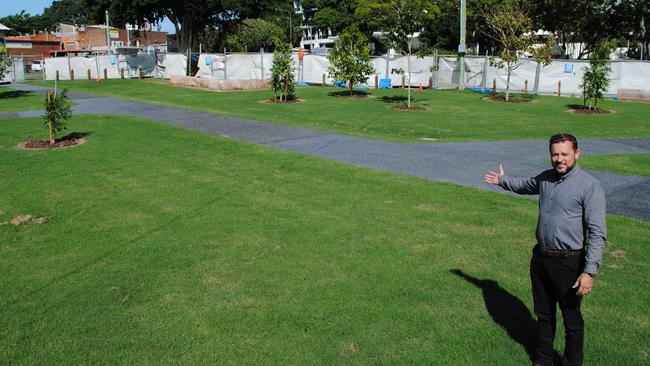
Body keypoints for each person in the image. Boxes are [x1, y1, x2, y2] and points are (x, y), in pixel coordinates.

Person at [483, 133, 606, 366]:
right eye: (555, 154)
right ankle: (544, 359)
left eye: (565, 154)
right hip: (541, 259)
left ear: (577, 154)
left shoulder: (590, 186)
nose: (559, 159)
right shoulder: (546, 178)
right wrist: (502, 181)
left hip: (568, 263)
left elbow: (597, 233)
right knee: (544, 314)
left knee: (571, 319)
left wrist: (589, 272)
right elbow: (527, 184)